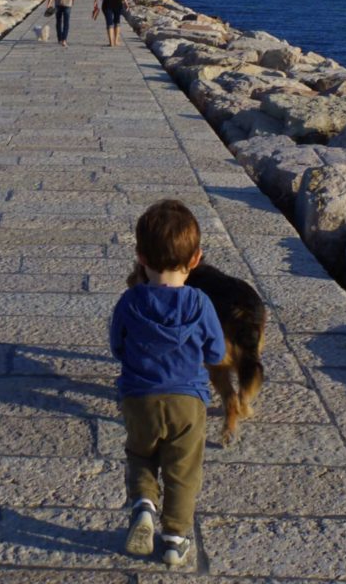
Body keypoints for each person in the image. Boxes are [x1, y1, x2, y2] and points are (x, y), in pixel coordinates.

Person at [109, 199, 225, 566]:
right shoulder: (201, 302)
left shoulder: (129, 301)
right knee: (183, 470)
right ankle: (174, 539)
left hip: (139, 398)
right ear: (196, 259)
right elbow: (216, 351)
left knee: (140, 454)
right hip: (187, 402)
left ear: (140, 257)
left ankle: (143, 503)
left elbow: (117, 346)